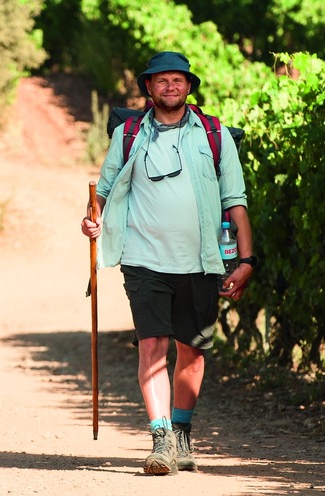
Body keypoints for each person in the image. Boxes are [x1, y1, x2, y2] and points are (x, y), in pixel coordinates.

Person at [81, 51, 256, 475]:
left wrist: (247, 260)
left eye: (178, 80)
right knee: (152, 347)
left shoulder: (214, 135)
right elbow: (102, 191)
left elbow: (236, 201)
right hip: (143, 261)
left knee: (192, 353)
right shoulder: (128, 133)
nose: (170, 86)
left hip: (201, 263)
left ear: (189, 86)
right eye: (161, 80)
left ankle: (181, 430)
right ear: (148, 88)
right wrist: (92, 220)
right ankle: (160, 439)